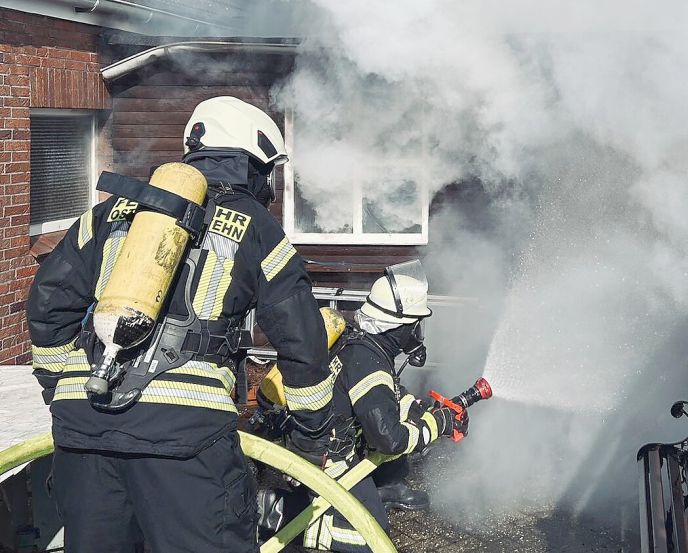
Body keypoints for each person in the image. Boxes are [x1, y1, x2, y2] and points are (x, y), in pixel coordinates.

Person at [27, 96, 337, 553]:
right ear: (251, 163)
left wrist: (60, 388)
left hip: (84, 428)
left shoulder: (110, 213)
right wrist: (312, 435)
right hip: (185, 440)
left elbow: (48, 303)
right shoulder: (256, 227)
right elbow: (302, 338)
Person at [257, 261, 467, 551]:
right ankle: (279, 512)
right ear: (399, 325)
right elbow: (390, 439)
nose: (418, 331)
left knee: (367, 519)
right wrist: (438, 425)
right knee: (367, 533)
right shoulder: (370, 364)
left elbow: (385, 397)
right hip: (328, 463)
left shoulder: (362, 345)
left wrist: (421, 411)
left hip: (316, 447)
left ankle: (293, 510)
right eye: (415, 324)